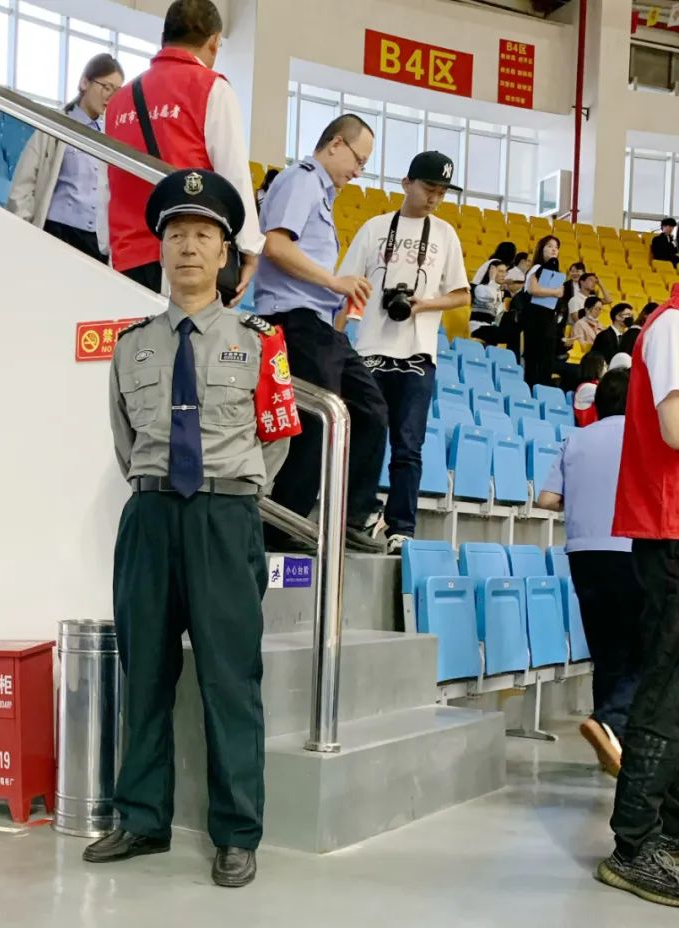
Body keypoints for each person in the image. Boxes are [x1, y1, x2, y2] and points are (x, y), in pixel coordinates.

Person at [87, 169, 300, 889]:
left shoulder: (262, 342)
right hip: (150, 518)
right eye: (176, 234)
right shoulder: (131, 345)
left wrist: (229, 489)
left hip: (223, 519)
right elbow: (125, 440)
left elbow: (277, 438)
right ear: (161, 248)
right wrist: (161, 490)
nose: (187, 247)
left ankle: (237, 833)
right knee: (144, 672)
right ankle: (141, 819)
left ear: (224, 254)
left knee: (229, 679)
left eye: (203, 235)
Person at [252, 114, 387, 553]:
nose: (358, 171)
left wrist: (336, 302)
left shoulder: (322, 195)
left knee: (370, 410)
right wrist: (334, 282)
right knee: (316, 424)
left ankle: (352, 516)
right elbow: (275, 245)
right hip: (294, 319)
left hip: (320, 324)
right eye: (358, 160)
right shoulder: (301, 180)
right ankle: (281, 527)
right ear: (335, 144)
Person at [340, 151, 469, 554]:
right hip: (370, 349)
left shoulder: (445, 234)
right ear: (406, 183)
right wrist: (336, 336)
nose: (435, 198)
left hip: (418, 354)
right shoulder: (376, 227)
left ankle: (402, 527)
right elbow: (345, 284)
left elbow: (461, 294)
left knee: (408, 447)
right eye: (429, 188)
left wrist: (423, 305)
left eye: (442, 192)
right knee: (363, 440)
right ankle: (356, 515)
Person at [597, 284, 679, 906]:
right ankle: (634, 845)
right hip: (669, 528)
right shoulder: (673, 327)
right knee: (665, 687)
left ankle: (668, 835)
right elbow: (674, 428)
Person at [103, 0, 263, 303]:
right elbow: (234, 177)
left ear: (164, 37)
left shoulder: (119, 101)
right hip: (188, 258)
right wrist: (249, 248)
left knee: (137, 333)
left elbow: (105, 184)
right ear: (214, 42)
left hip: (127, 256)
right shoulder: (211, 88)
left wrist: (107, 246)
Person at [539, 369, 642, 778]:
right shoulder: (643, 437)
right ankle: (611, 724)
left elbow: (547, 499)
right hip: (632, 549)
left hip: (584, 554)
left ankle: (609, 750)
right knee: (648, 649)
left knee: (606, 652)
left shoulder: (575, 439)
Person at [6, 55, 124, 262]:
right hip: (58, 230)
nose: (110, 96)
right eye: (106, 87)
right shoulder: (56, 125)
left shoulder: (111, 137)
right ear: (85, 83)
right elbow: (25, 180)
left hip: (95, 240)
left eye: (117, 91)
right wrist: (23, 227)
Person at [522, 236, 565, 388]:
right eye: (549, 246)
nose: (554, 250)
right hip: (535, 318)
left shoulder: (556, 272)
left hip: (548, 319)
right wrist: (554, 292)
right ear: (542, 249)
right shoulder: (536, 268)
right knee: (534, 358)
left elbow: (561, 293)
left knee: (547, 359)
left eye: (556, 247)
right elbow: (533, 289)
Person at [470, 260, 507, 346]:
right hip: (477, 327)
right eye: (500, 271)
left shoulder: (499, 293)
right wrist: (492, 279)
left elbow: (498, 318)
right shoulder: (480, 288)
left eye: (505, 272)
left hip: (490, 329)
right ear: (491, 272)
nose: (504, 275)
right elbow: (491, 295)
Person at [571, 352, 607, 427]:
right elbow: (611, 394)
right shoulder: (586, 388)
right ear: (595, 367)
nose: (607, 369)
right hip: (588, 431)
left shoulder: (595, 386)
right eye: (604, 366)